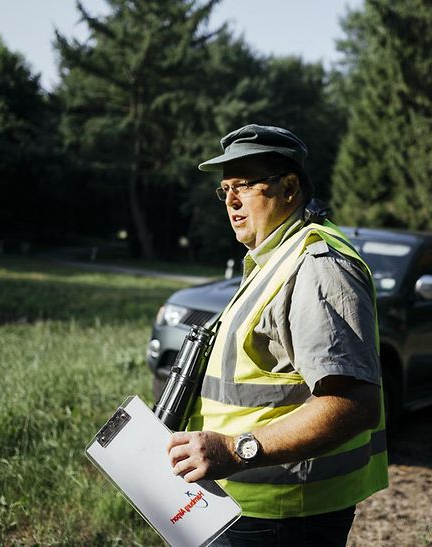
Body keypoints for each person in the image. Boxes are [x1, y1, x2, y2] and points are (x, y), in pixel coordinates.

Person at [166, 124, 388, 546]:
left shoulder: (317, 266)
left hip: (285, 519)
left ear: (289, 188)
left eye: (244, 186)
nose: (230, 201)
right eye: (225, 189)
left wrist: (235, 451)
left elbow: (353, 405)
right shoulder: (274, 258)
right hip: (246, 505)